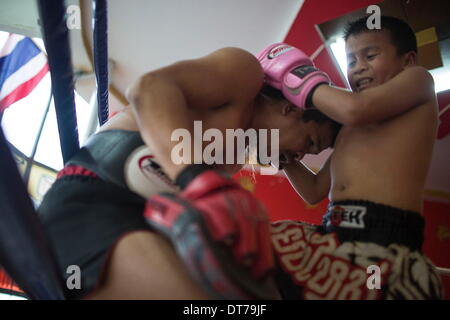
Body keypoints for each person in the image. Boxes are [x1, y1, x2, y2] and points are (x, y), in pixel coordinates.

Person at [37, 46, 340, 299]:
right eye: (309, 143)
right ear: (292, 110)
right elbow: (147, 88)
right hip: (91, 204)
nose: (299, 156)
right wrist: (193, 175)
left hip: (138, 225)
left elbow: (314, 192)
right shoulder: (245, 75)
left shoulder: (237, 155)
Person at [265, 16, 442, 299]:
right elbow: (314, 191)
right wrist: (281, 157)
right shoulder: (351, 123)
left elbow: (356, 109)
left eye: (370, 56)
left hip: (384, 235)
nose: (358, 67)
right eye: (351, 61)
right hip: (333, 229)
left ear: (407, 60)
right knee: (256, 247)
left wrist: (296, 79)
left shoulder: (419, 80)